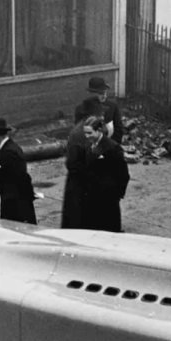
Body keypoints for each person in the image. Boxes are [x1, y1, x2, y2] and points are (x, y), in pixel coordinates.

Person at [0, 117, 37, 224]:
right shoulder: (10, 148)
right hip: (14, 201)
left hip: (15, 205)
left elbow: (22, 177)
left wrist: (29, 194)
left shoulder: (7, 152)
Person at [81, 116, 130, 233]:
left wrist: (117, 194)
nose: (87, 136)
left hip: (108, 197)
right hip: (92, 195)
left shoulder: (112, 147)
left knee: (109, 230)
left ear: (99, 130)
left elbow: (123, 174)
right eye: (85, 133)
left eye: (90, 133)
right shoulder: (88, 145)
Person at [63, 98, 105, 229]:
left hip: (85, 184)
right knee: (80, 224)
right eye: (99, 115)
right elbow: (72, 163)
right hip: (80, 186)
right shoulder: (79, 134)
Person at [74, 77, 124, 143]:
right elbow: (78, 133)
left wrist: (113, 146)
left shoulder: (112, 106)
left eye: (105, 93)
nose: (105, 96)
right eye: (101, 94)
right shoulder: (81, 109)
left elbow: (119, 129)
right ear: (91, 93)